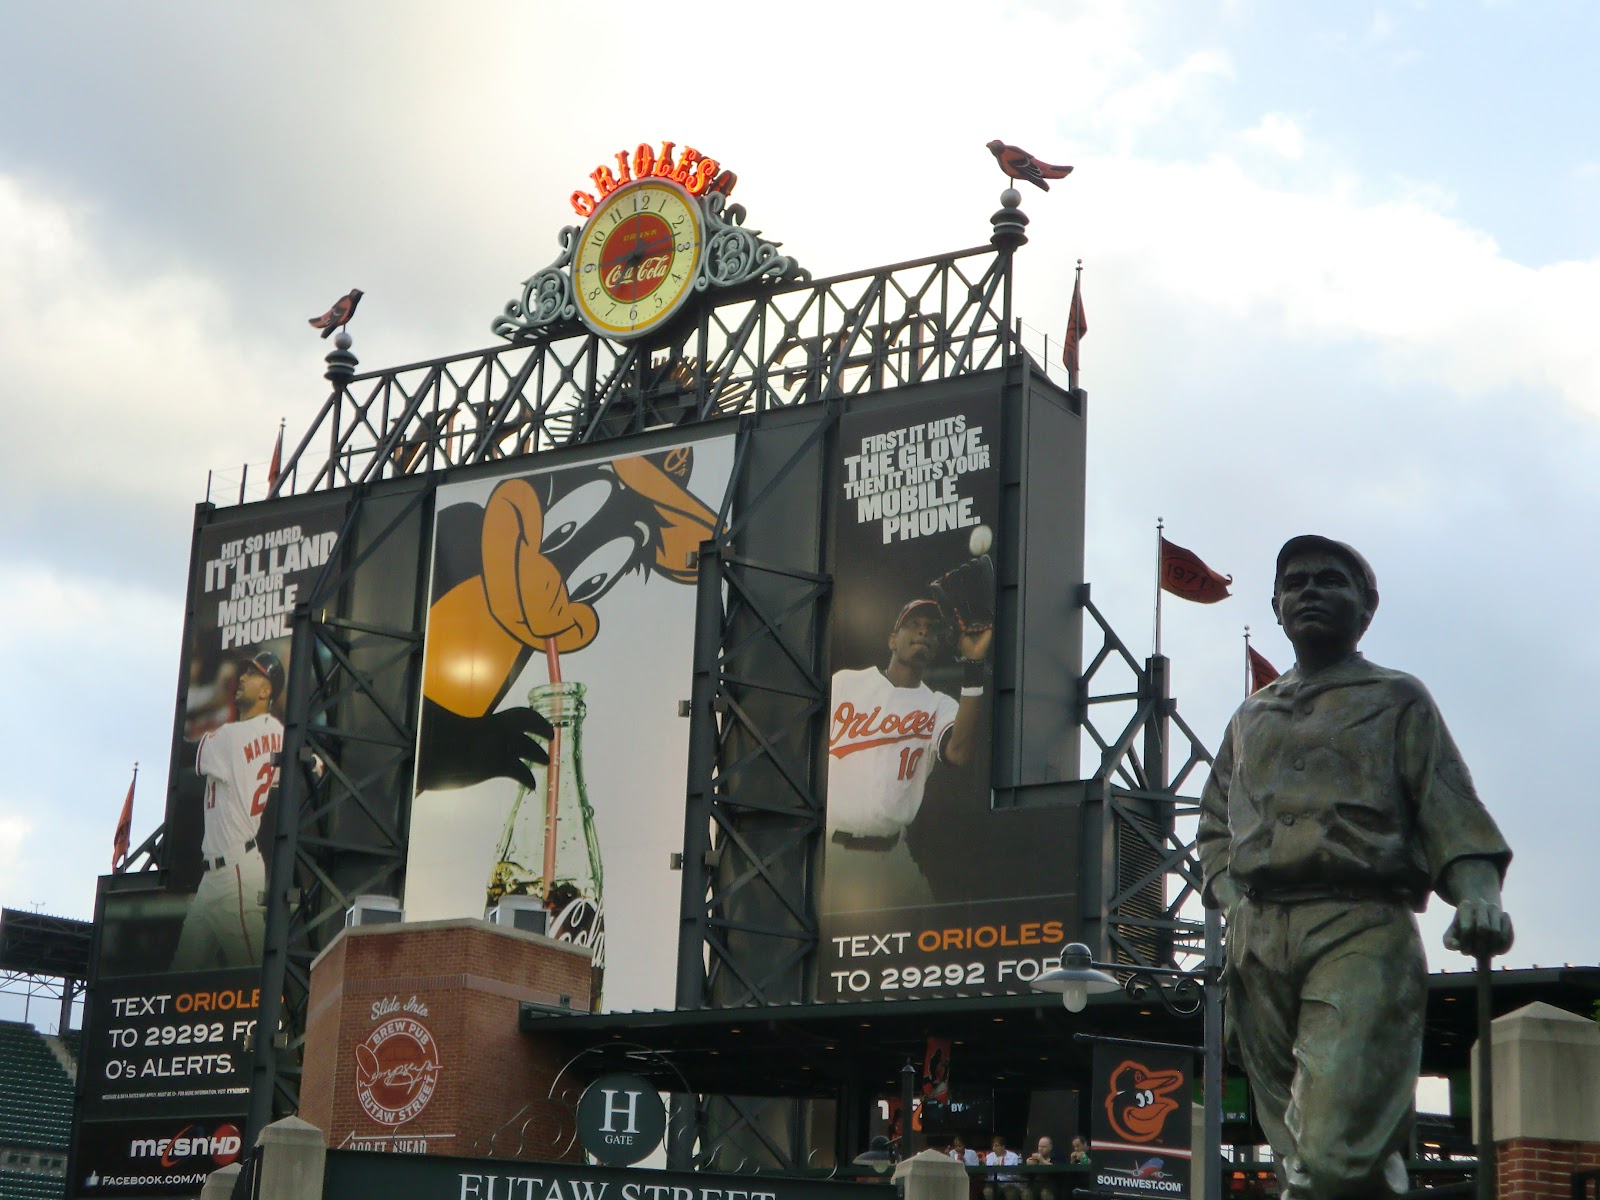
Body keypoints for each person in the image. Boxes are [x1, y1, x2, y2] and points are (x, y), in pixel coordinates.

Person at [1197, 536, 1513, 1200]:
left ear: (1367, 607)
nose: (1310, 590)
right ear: (1276, 606)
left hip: (1359, 925)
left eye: (1330, 580)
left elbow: (1448, 805)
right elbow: (1214, 827)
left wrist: (1477, 892)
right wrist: (1232, 898)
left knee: (1338, 1150)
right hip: (1260, 938)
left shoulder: (1397, 698)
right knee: (1296, 1157)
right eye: (1296, 581)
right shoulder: (1249, 716)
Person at [823, 598, 992, 911]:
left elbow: (958, 752)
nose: (923, 632)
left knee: (923, 942)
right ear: (892, 640)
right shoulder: (846, 683)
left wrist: (973, 667)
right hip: (829, 848)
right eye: (913, 625)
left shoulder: (938, 705)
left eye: (931, 629)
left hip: (891, 853)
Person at [170, 649, 285, 970]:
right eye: (245, 670)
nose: (243, 677)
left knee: (255, 979)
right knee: (180, 975)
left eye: (253, 674)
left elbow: (185, 754)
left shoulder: (230, 737)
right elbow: (307, 769)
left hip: (236, 872)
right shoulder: (280, 735)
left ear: (266, 691)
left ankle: (289, 1022)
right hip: (216, 879)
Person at [983, 1135, 1023, 1200]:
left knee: (1011, 1193)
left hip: (1009, 1183)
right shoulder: (989, 1157)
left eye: (997, 1146)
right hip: (993, 1183)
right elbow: (988, 1174)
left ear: (1003, 1146)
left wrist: (1005, 1170)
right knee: (988, 1191)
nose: (994, 1148)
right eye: (993, 1146)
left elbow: (1017, 1175)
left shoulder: (1013, 1157)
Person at [1025, 1136, 1056, 1200]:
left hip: (1050, 1186)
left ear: (1050, 1148)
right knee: (1026, 1193)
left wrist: (1041, 1160)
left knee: (1045, 1194)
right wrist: (1028, 1166)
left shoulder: (1056, 1158)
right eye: (1039, 1146)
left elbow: (1054, 1169)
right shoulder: (1033, 1159)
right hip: (1035, 1186)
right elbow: (1026, 1176)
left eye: (1043, 1147)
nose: (1040, 1149)